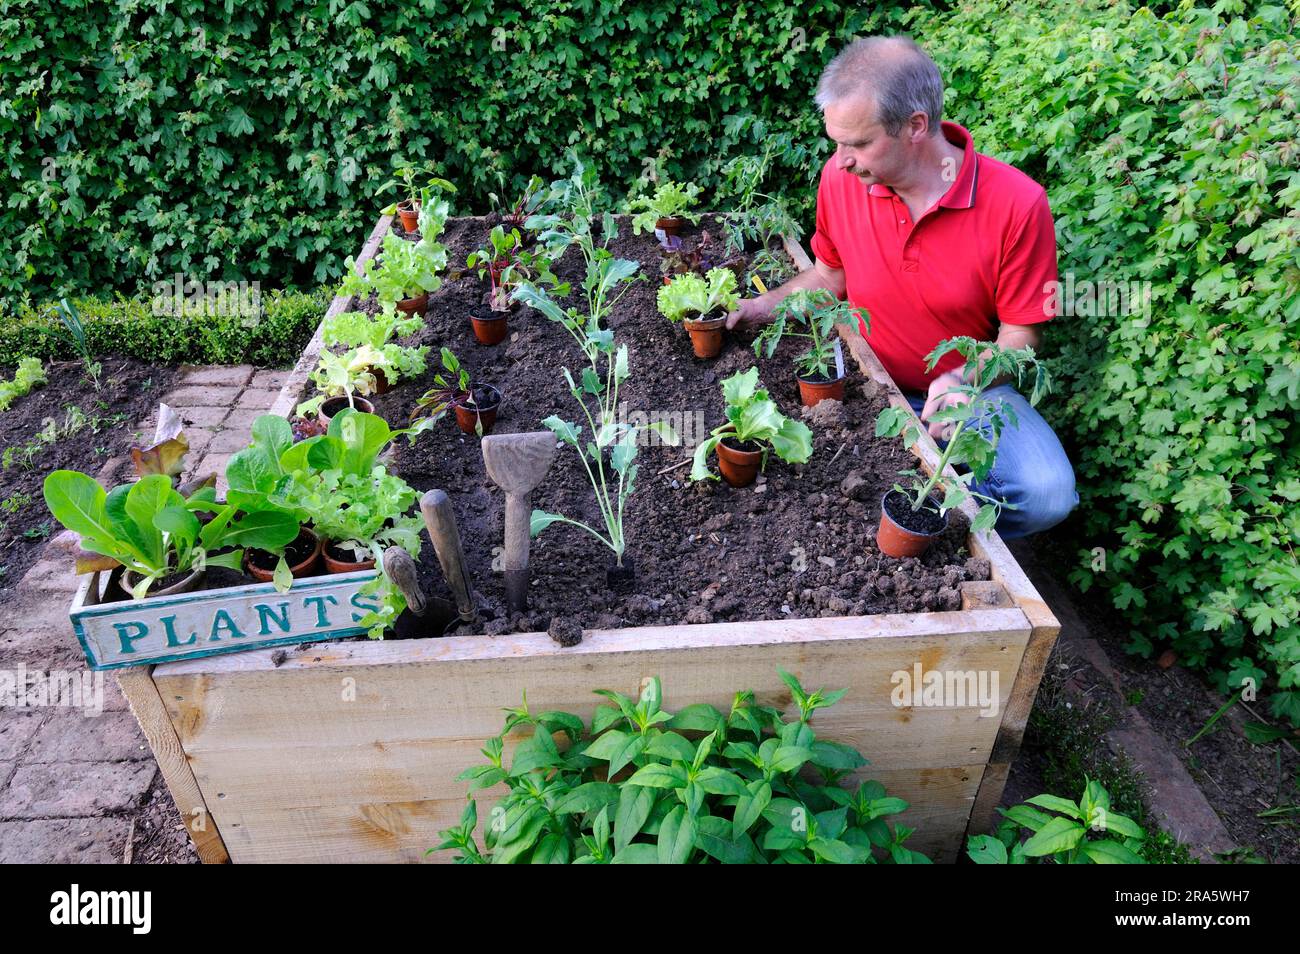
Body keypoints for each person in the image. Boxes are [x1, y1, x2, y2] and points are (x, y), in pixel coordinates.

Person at [726, 35, 1078, 539]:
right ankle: (905, 518)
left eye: (860, 143)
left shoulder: (1016, 204)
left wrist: (963, 381)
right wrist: (761, 307)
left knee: (1046, 495)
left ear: (916, 125)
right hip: (864, 384)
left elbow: (1022, 336)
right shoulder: (842, 180)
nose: (843, 159)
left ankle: (937, 527)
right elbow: (829, 276)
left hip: (965, 393)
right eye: (838, 142)